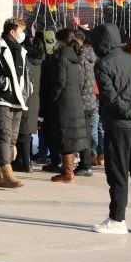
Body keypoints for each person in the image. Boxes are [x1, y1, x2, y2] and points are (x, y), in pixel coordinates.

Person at [89, 24, 131, 234]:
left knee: (118, 173)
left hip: (119, 125)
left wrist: (130, 113)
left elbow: (110, 97)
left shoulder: (103, 64)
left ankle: (117, 218)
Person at [0, 18, 31, 188]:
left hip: (18, 99)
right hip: (1, 98)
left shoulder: (21, 50)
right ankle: (7, 171)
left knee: (12, 137)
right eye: (21, 30)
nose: (22, 34)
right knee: (4, 134)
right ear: (13, 31)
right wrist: (6, 85)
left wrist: (28, 88)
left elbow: (26, 74)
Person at [40, 28, 89, 184]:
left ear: (60, 40)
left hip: (63, 102)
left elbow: (60, 82)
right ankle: (67, 171)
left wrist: (51, 99)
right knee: (69, 137)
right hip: (74, 100)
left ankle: (68, 172)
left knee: (65, 138)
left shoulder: (61, 57)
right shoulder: (75, 57)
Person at [19, 31, 48, 172]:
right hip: (36, 98)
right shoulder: (41, 63)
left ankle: (24, 160)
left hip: (24, 97)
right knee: (29, 131)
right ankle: (27, 159)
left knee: (22, 131)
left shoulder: (24, 62)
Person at [71, 31, 98, 175]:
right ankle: (86, 162)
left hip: (81, 100)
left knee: (83, 134)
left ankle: (85, 164)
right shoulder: (92, 56)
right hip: (91, 99)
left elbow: (80, 80)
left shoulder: (80, 57)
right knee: (87, 132)